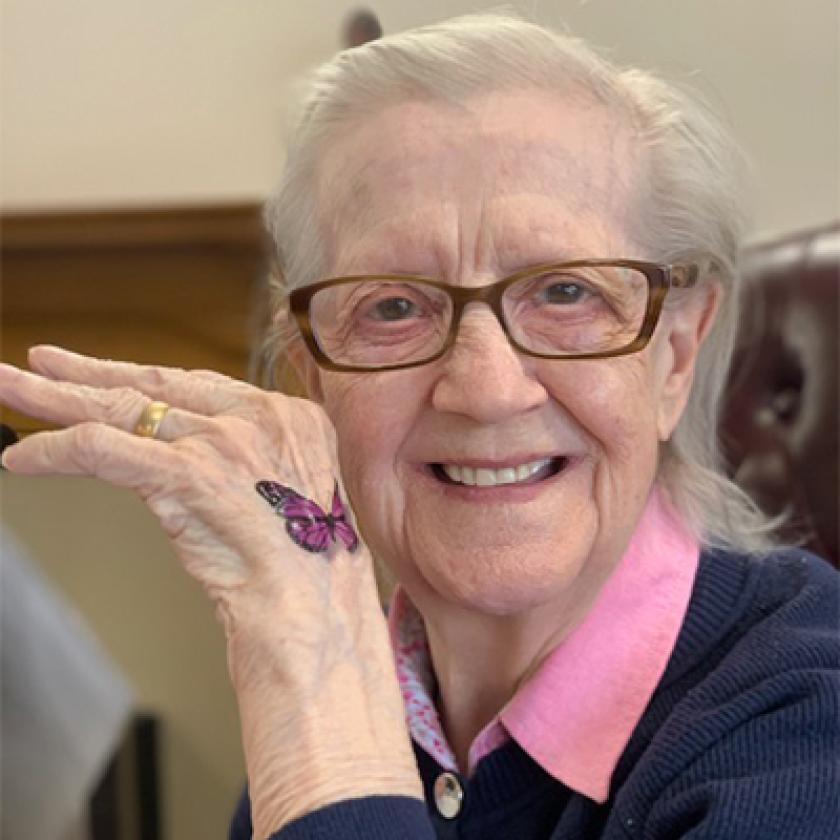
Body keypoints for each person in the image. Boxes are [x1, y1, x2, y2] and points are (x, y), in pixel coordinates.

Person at [0, 13, 837, 840]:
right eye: (393, 307)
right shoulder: (364, 704)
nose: (484, 389)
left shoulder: (807, 723)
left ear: (676, 354)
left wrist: (313, 668)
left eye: (566, 293)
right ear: (313, 375)